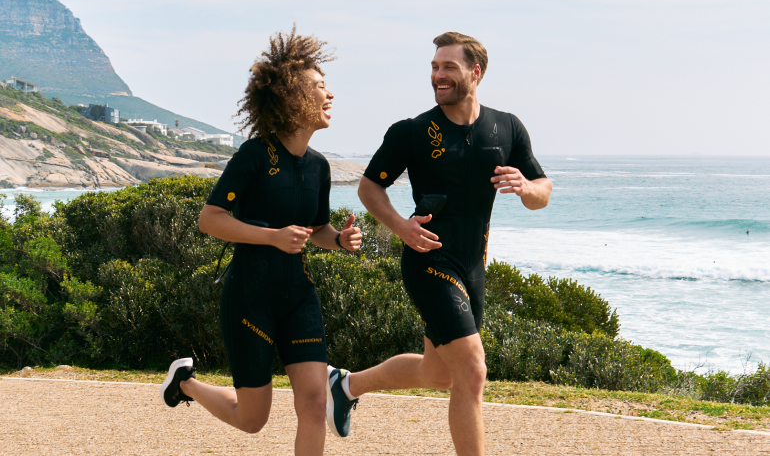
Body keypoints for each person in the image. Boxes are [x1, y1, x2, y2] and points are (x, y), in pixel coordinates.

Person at [325, 32, 552, 455]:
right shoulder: (413, 131)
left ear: (475, 72)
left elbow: (543, 191)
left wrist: (527, 187)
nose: (438, 75)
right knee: (472, 372)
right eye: (434, 67)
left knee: (440, 374)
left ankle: (345, 385)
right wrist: (400, 226)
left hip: (473, 267)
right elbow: (369, 187)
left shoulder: (506, 127)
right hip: (428, 260)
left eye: (449, 67)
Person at [159, 26, 362, 456]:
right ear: (291, 96)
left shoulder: (320, 167)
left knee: (314, 403)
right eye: (318, 86)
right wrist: (272, 237)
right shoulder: (254, 154)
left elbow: (317, 231)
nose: (329, 95)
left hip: (299, 298)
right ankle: (186, 383)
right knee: (252, 420)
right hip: (250, 298)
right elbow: (210, 220)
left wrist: (340, 240)